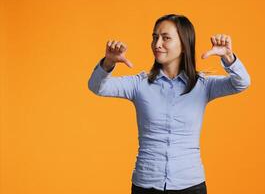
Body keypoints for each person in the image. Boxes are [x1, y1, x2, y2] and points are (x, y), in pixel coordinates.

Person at [88, 14, 251, 194]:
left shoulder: (203, 85)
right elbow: (97, 87)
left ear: (184, 45)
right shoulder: (139, 84)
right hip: (146, 184)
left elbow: (241, 82)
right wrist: (108, 62)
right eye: (155, 37)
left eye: (166, 38)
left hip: (190, 185)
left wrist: (228, 57)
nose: (157, 44)